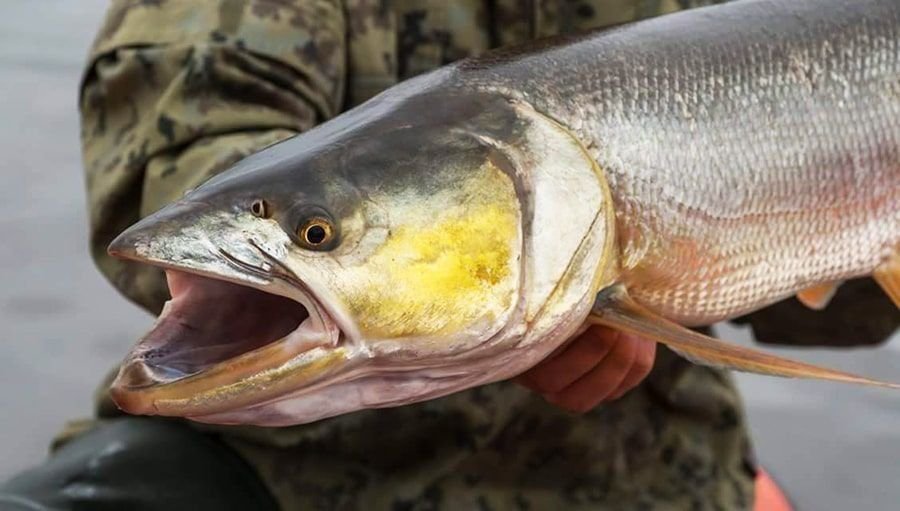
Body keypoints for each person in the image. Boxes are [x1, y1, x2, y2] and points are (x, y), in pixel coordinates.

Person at [2, 1, 895, 509]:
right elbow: (180, 152)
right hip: (303, 480)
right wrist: (308, 239)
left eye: (319, 237)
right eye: (321, 238)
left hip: (646, 463)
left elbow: (794, 289)